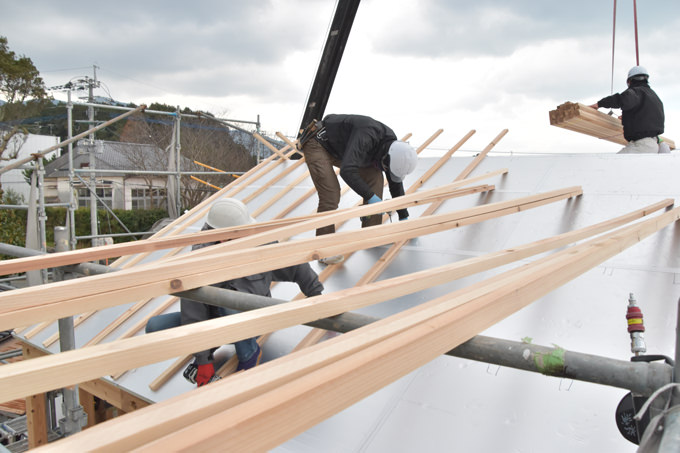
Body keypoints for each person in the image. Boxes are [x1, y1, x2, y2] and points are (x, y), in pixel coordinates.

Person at [146, 198, 324, 386]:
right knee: (154, 327)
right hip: (216, 320)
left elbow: (295, 266)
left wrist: (317, 297)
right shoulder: (202, 256)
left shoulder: (260, 243)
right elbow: (194, 312)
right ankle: (211, 345)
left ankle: (249, 353)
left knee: (227, 302)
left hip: (252, 320)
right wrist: (203, 359)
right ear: (222, 235)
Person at [299, 114, 418, 265]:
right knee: (331, 194)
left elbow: (395, 184)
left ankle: (370, 236)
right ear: (386, 157)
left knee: (375, 177)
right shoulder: (366, 136)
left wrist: (403, 217)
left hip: (342, 149)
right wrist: (371, 197)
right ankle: (324, 249)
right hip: (318, 143)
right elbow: (348, 171)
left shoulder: (393, 149)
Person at [589, 66, 665, 154]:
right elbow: (646, 117)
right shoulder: (654, 96)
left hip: (642, 145)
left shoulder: (636, 92)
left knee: (611, 164)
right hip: (653, 144)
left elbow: (622, 99)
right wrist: (627, 118)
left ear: (629, 81)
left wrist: (599, 104)